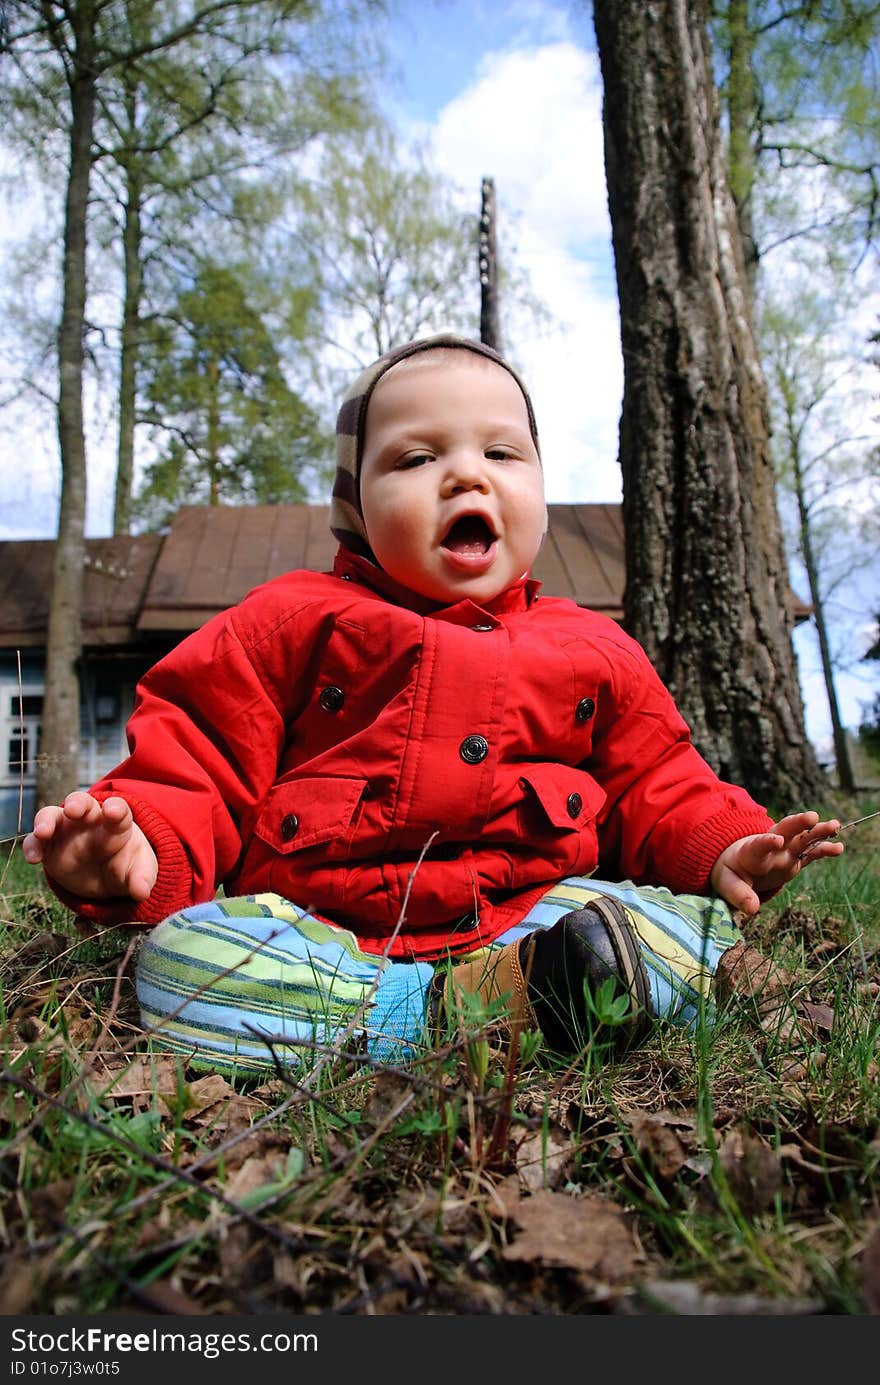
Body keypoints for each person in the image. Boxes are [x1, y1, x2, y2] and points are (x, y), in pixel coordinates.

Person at [22, 333, 844, 1074]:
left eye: (502, 452)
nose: (466, 472)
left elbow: (657, 778)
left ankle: (545, 983)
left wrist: (723, 845)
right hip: (324, 940)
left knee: (689, 930)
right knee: (182, 959)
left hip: (532, 925)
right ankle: (436, 1017)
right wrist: (142, 851)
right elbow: (197, 755)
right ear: (355, 507)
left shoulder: (592, 649)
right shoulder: (288, 621)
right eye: (415, 459)